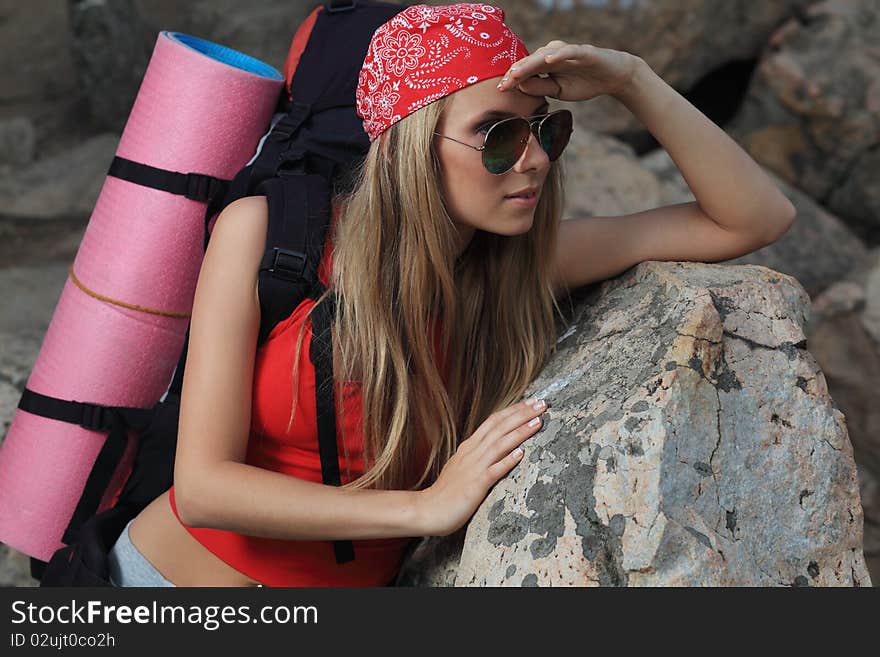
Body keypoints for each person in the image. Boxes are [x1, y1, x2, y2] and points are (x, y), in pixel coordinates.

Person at [110, 1, 796, 587]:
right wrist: (425, 507)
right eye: (496, 134)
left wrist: (634, 81)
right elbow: (203, 487)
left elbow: (755, 216)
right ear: (414, 145)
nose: (532, 158)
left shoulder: (517, 264)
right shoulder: (269, 235)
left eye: (544, 128)